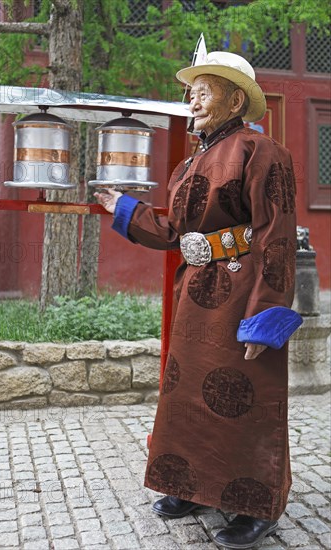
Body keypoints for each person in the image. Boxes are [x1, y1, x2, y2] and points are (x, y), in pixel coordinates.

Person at [94, 51, 302, 550]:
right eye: (191, 91)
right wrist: (122, 207)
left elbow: (275, 237)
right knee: (187, 394)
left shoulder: (262, 151)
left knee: (242, 395)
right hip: (196, 291)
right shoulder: (191, 162)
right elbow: (173, 232)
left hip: (242, 290)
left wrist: (265, 317)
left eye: (203, 90)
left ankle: (255, 504)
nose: (192, 98)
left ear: (235, 98)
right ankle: (189, 486)